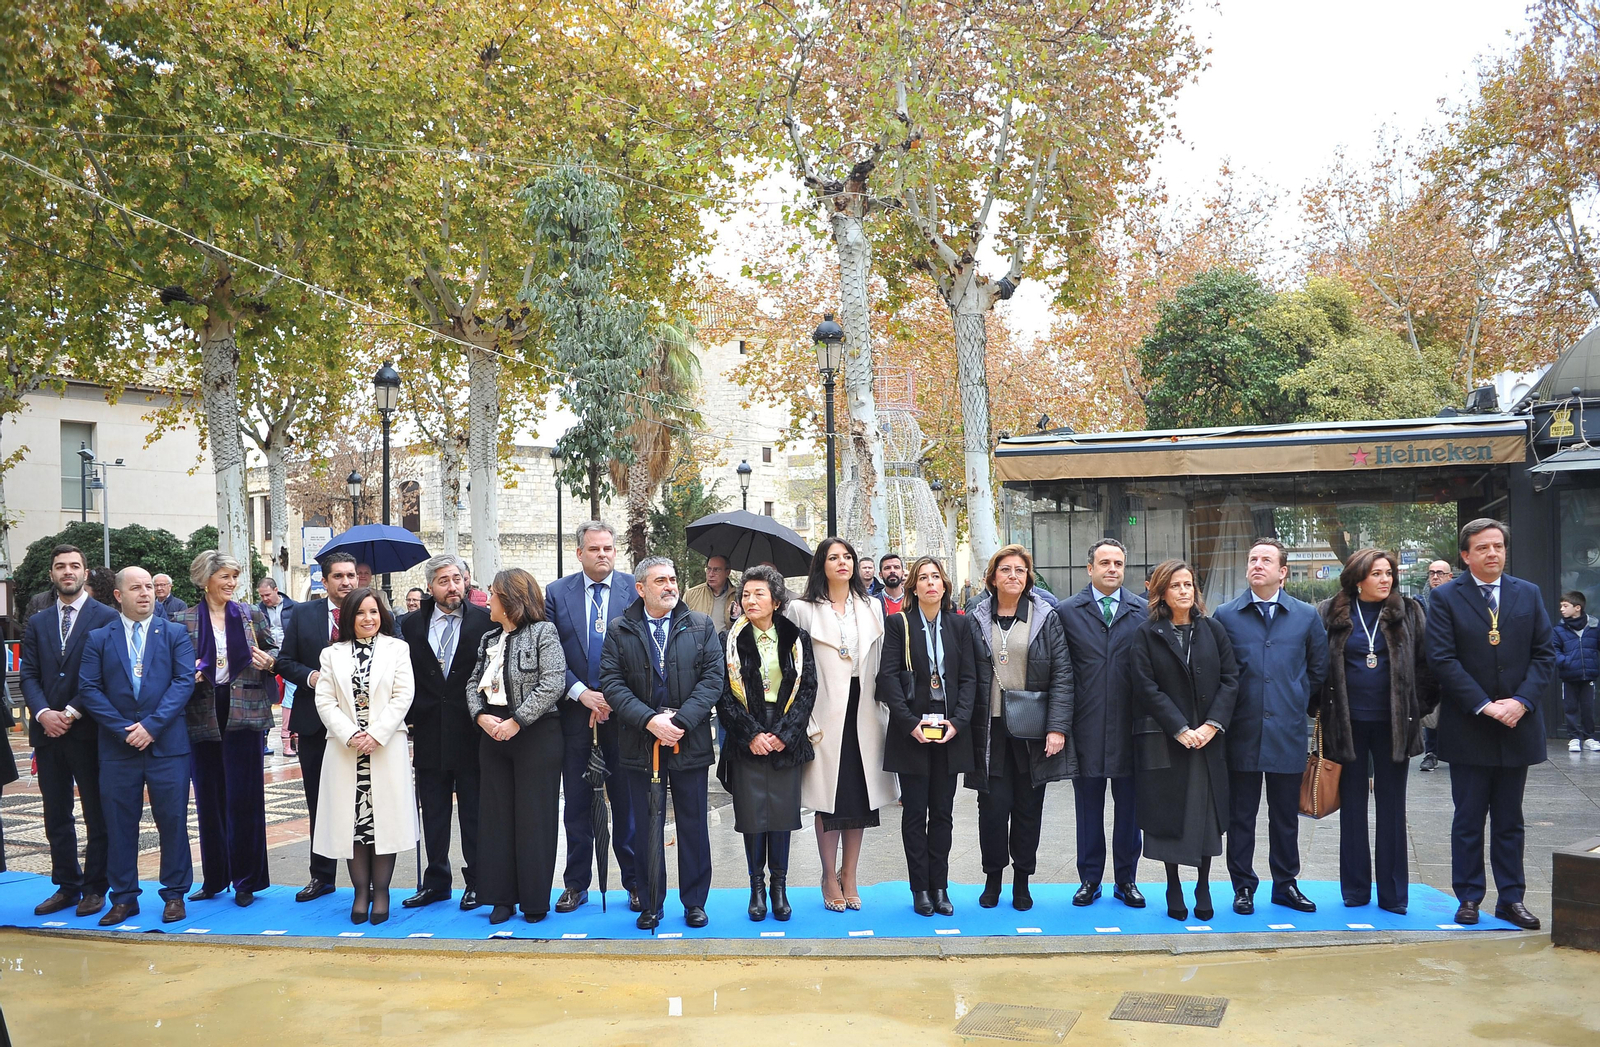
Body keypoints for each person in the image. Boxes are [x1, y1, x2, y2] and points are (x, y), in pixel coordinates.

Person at [1426, 518, 1556, 930]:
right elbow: (1442, 659)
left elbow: (1544, 654)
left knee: (1509, 820)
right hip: (1470, 725)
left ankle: (1512, 899)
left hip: (1517, 724)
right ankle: (1468, 896)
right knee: (1468, 818)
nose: (1492, 553)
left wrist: (1521, 701)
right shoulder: (1445, 597)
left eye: (1498, 546)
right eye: (1482, 547)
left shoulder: (1527, 593)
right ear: (1466, 555)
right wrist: (1484, 705)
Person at [601, 556, 724, 930]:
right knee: (646, 826)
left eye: (672, 579)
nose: (670, 586)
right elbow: (612, 684)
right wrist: (651, 720)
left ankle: (695, 903)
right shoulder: (619, 629)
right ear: (641, 588)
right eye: (660, 581)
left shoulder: (700, 625)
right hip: (641, 743)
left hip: (689, 739)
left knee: (693, 824)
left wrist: (680, 721)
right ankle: (651, 902)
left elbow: (713, 679)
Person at [1315, 548, 1434, 914]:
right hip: (1346, 726)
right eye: (1377, 573)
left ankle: (1393, 894)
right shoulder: (1329, 612)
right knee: (1352, 806)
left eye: (1388, 573)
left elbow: (1426, 665)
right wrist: (1320, 709)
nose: (1385, 580)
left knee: (1392, 807)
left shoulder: (1409, 611)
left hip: (1393, 725)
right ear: (1357, 579)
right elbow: (1315, 665)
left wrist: (1416, 708)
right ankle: (1355, 890)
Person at [1215, 538, 1330, 916]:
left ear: (1283, 572)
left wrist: (1295, 700)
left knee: (1284, 817)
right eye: (1253, 559)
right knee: (1241, 816)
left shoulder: (1305, 616)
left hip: (1287, 731)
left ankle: (1285, 884)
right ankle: (1242, 886)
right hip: (1241, 732)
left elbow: (1318, 669)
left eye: (1266, 560)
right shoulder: (1226, 615)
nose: (1257, 565)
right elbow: (1220, 672)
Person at [76, 567, 197, 925]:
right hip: (119, 748)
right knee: (118, 825)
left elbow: (183, 682)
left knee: (173, 821)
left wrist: (152, 726)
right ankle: (124, 897)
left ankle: (174, 895)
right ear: (118, 596)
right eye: (136, 588)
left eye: (148, 587)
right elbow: (89, 689)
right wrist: (123, 729)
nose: (145, 593)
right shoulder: (100, 638)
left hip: (167, 746)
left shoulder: (174, 633)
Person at [785, 537, 896, 912]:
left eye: (848, 556)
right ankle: (828, 877)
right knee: (828, 798)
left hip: (865, 710)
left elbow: (881, 662)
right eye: (834, 557)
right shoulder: (802, 609)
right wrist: (802, 717)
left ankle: (850, 874)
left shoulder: (872, 606)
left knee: (860, 797)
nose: (843, 562)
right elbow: (794, 668)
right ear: (822, 565)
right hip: (824, 712)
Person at [1128, 559, 1238, 922]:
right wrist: (1179, 727)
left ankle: (1203, 885)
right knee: (1169, 815)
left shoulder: (1213, 629)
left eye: (1188, 584)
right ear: (1161, 592)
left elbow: (1231, 679)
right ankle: (1173, 885)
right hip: (1165, 739)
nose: (1184, 591)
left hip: (1208, 740)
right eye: (1176, 585)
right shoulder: (1146, 633)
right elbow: (1145, 686)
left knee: (1205, 816)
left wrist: (1212, 725)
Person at [967, 544, 1075, 912]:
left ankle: (1023, 880)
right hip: (990, 729)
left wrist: (1057, 727)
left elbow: (1063, 674)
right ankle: (992, 877)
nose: (1013, 576)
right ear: (992, 577)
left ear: (1028, 577)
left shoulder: (1046, 616)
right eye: (1005, 570)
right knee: (993, 810)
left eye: (1020, 570)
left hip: (1033, 728)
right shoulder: (975, 616)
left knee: (1029, 809)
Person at [545, 521, 640, 913]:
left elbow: (643, 650)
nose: (603, 554)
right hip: (575, 714)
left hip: (624, 716)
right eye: (595, 549)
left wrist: (614, 698)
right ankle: (575, 884)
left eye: (608, 548)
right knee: (577, 804)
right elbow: (551, 653)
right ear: (579, 553)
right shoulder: (556, 593)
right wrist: (582, 694)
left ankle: (635, 882)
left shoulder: (634, 588)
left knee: (626, 804)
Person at [19, 545, 116, 918]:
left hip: (88, 730)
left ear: (85, 573)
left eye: (74, 566)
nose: (67, 571)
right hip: (47, 733)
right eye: (60, 566)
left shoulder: (106, 617)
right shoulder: (38, 622)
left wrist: (71, 711)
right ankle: (66, 885)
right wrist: (43, 712)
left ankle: (95, 888)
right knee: (55, 813)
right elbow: (29, 674)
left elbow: (107, 673)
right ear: (52, 574)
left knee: (96, 813)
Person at [717, 565, 817, 922]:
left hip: (785, 732)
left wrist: (784, 735)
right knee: (752, 816)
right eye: (745, 594)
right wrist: (752, 735)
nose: (750, 600)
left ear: (776, 600)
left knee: (781, 815)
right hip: (747, 734)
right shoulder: (729, 640)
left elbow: (808, 689)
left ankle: (779, 887)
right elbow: (723, 695)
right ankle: (756, 888)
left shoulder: (796, 638)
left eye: (759, 594)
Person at [313, 587, 418, 925]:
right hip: (346, 750)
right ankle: (361, 892)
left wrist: (376, 734)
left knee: (383, 823)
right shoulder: (332, 654)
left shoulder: (397, 649)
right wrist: (351, 734)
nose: (368, 618)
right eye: (360, 613)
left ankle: (382, 892)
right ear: (349, 617)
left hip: (384, 748)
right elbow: (325, 701)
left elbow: (403, 695)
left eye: (373, 612)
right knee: (353, 824)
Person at [468, 568, 567, 924]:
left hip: (536, 735)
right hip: (493, 732)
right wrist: (481, 716)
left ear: (511, 600)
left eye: (493, 593)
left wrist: (517, 721)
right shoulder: (489, 638)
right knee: (495, 818)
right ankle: (501, 898)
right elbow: (473, 683)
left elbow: (553, 682)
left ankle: (534, 901)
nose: (487, 600)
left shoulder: (544, 632)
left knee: (533, 819)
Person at [178, 551, 278, 907]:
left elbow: (274, 650)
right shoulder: (183, 619)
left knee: (245, 798)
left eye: (235, 576)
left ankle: (246, 881)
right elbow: (173, 665)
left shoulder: (250, 615)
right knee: (209, 798)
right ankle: (215, 878)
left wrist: (269, 662)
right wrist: (187, 673)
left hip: (245, 711)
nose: (232, 583)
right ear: (206, 579)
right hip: (202, 711)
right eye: (225, 576)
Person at [879, 556, 977, 917]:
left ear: (945, 585)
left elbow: (969, 678)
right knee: (914, 813)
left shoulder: (959, 624)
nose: (931, 583)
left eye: (936, 577)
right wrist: (909, 724)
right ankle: (920, 888)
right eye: (923, 577)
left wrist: (958, 722)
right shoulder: (899, 624)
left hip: (949, 730)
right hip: (913, 731)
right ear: (914, 587)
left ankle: (940, 886)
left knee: (943, 813)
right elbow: (888, 678)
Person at [1056, 537, 1147, 909]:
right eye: (1105, 563)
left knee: (1130, 811)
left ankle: (1127, 880)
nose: (1112, 569)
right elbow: (1059, 673)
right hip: (1086, 727)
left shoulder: (1143, 611)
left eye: (1118, 563)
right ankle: (1090, 879)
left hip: (1131, 728)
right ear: (1090, 568)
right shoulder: (1066, 612)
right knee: (1088, 809)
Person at [400, 555, 496, 911]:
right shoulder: (410, 625)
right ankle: (436, 882)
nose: (453, 586)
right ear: (430, 587)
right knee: (433, 811)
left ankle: (477, 882)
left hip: (471, 730)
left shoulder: (485, 622)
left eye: (457, 578)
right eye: (444, 581)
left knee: (473, 811)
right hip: (428, 730)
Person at [276, 551, 362, 901]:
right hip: (314, 724)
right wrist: (312, 677)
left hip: (361, 727)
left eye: (351, 575)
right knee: (319, 802)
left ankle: (366, 878)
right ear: (324, 581)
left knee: (361, 803)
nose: (346, 582)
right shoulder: (303, 614)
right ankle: (322, 876)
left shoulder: (371, 612)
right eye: (338, 576)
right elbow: (284, 661)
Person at [1418, 560, 1455, 771]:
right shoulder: (1420, 603)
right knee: (1431, 711)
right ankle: (1430, 752)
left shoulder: (1459, 599)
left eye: (1440, 573)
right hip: (1429, 665)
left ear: (1450, 576)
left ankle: (1455, 751)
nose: (1435, 577)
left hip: (1455, 663)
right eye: (1431, 573)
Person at [1555, 591, 1600, 753]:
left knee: (1588, 708)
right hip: (1569, 676)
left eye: (1565, 606)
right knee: (1570, 707)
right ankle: (1574, 738)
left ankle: (1589, 738)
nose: (1561, 609)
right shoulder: (1559, 629)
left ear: (1577, 607)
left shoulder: (1594, 626)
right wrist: (1564, 661)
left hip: (1588, 675)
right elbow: (1553, 650)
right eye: (1561, 606)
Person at [684, 555, 735, 625]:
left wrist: (735, 617)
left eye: (716, 570)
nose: (711, 574)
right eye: (709, 569)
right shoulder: (691, 594)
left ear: (727, 572)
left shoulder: (738, 597)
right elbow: (680, 622)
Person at [256, 577, 297, 648]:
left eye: (267, 595)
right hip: (267, 651)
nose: (265, 599)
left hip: (289, 650)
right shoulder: (258, 610)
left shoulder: (294, 607)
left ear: (276, 590)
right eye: (262, 596)